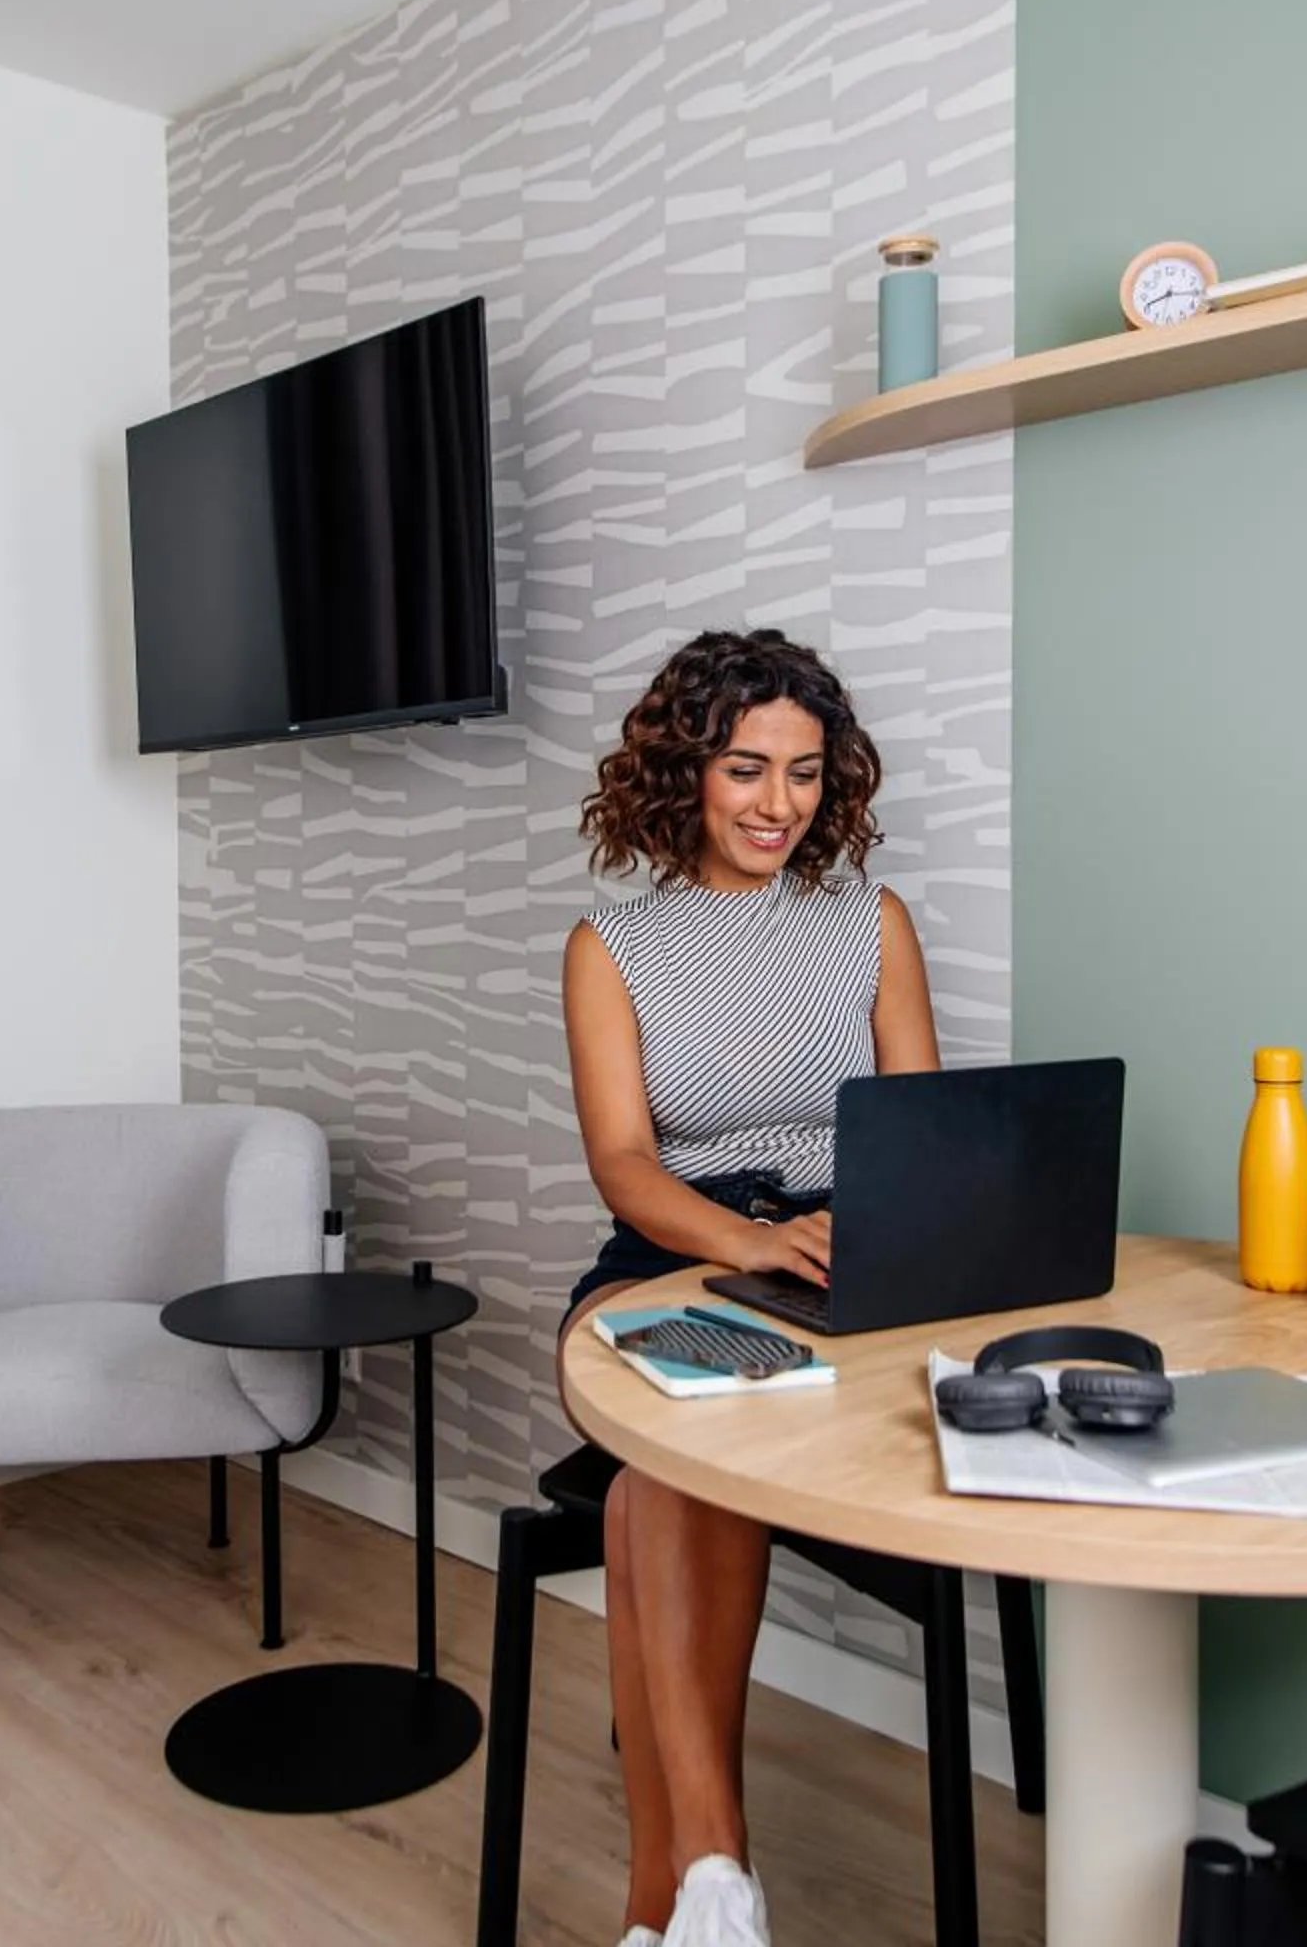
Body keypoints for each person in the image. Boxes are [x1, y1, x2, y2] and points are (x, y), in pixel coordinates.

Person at [559, 627, 940, 1947]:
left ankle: (670, 1904)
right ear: (686, 773)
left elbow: (919, 1128)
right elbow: (623, 1163)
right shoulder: (613, 946)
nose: (779, 804)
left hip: (848, 1248)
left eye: (805, 772)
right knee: (677, 1442)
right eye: (745, 769)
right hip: (674, 1252)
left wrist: (842, 1232)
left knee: (642, 1487)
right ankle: (718, 1867)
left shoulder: (870, 923)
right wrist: (746, 1240)